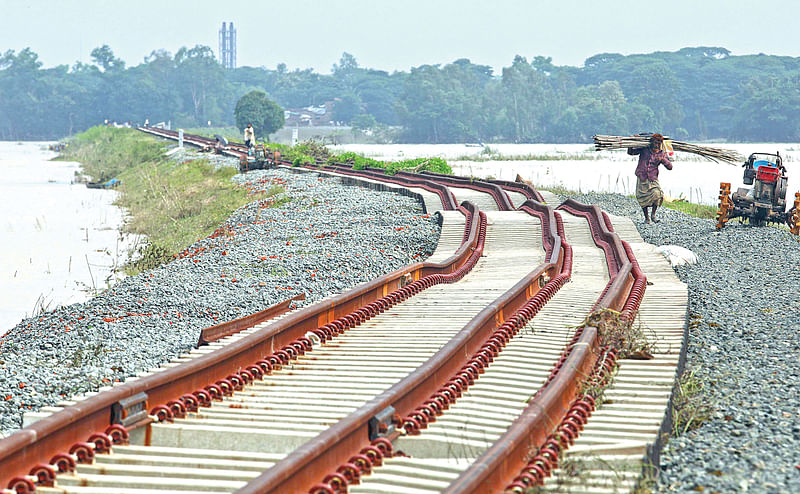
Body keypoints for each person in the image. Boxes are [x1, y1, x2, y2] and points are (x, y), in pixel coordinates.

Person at [628, 133, 673, 224]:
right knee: (642, 197)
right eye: (655, 142)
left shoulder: (662, 153)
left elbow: (670, 167)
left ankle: (653, 215)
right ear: (652, 142)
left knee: (657, 195)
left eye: (659, 142)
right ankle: (646, 218)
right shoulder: (644, 149)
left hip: (653, 178)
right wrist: (631, 142)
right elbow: (631, 152)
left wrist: (662, 160)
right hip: (642, 176)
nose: (657, 144)